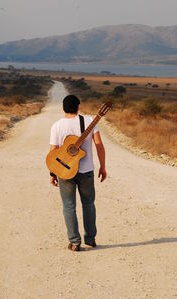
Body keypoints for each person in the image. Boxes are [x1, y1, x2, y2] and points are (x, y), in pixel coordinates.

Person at [48, 94, 107, 251]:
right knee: (88, 204)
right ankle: (90, 239)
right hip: (86, 171)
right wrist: (103, 166)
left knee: (68, 206)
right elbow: (99, 145)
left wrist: (53, 173)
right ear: (78, 107)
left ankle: (74, 242)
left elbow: (53, 152)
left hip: (64, 172)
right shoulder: (89, 121)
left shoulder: (56, 126)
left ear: (63, 108)